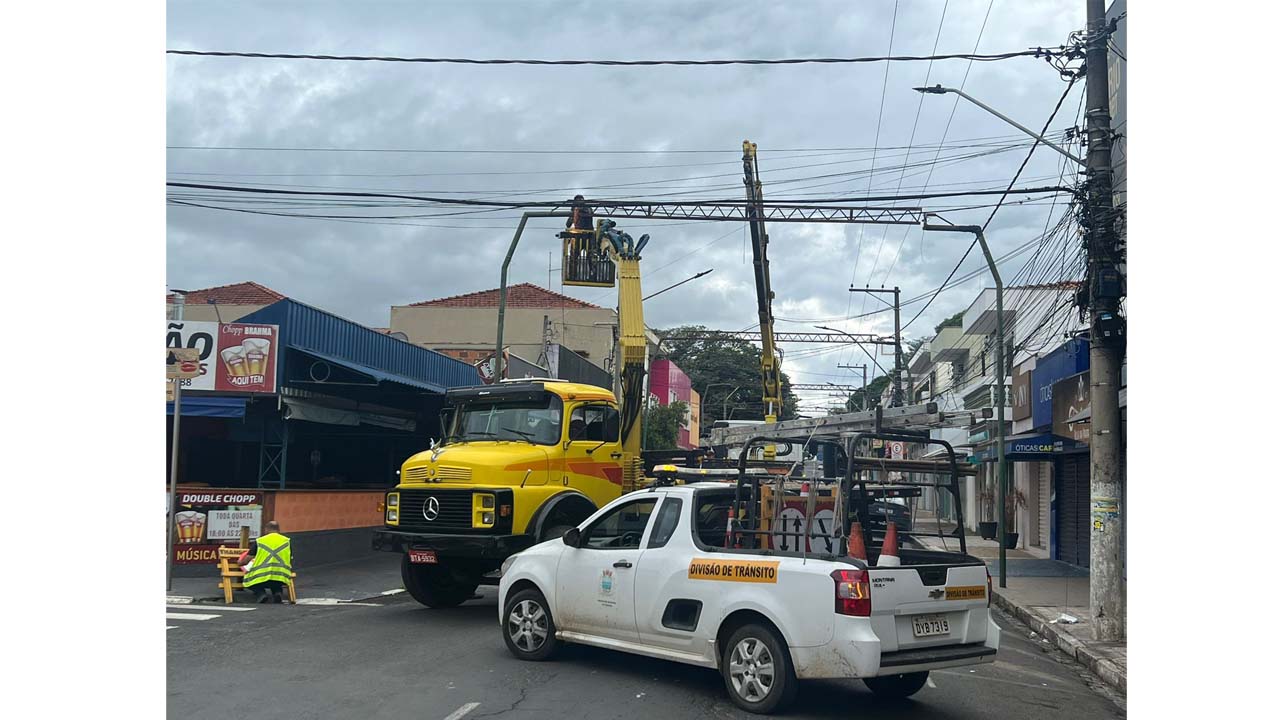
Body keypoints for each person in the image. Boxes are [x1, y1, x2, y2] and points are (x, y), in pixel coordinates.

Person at [241, 521, 292, 604]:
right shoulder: (286, 541)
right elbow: (289, 557)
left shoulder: (260, 541)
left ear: (266, 529)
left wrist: (240, 562)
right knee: (276, 583)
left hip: (261, 576)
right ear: (278, 530)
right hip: (281, 576)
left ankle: (261, 594)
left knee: (249, 580)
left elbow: (247, 559)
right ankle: (278, 593)